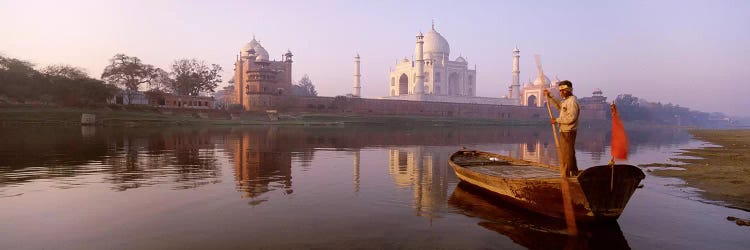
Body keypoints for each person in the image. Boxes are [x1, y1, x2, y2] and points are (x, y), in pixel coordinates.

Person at [544, 80, 580, 176]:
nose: (561, 93)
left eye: (563, 90)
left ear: (569, 90)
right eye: (560, 91)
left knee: (566, 155)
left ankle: (566, 175)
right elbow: (559, 106)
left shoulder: (572, 101)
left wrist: (556, 120)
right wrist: (550, 96)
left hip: (568, 131)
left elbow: (571, 118)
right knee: (569, 153)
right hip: (565, 131)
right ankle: (574, 173)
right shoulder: (566, 101)